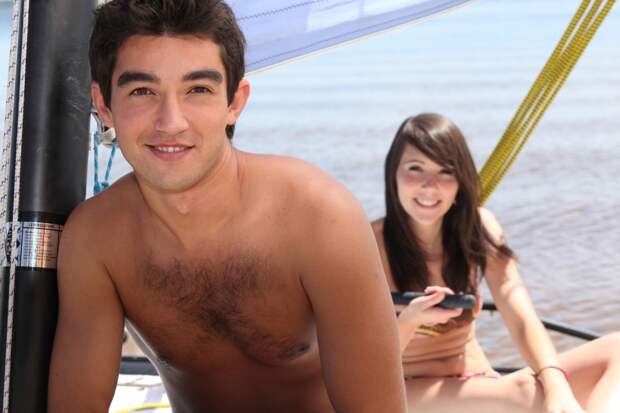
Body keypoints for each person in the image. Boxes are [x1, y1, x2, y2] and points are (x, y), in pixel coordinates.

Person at [47, 1, 407, 412]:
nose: (171, 122)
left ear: (235, 101)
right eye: (142, 91)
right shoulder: (97, 238)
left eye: (198, 90)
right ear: (104, 105)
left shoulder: (318, 217)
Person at [371, 113, 620, 413]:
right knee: (526, 393)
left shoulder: (476, 229)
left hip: (477, 381)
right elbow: (364, 365)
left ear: (461, 181)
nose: (429, 186)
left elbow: (520, 317)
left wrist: (556, 384)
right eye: (415, 168)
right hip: (407, 389)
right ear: (393, 174)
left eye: (445, 171)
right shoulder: (371, 245)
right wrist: (410, 320)